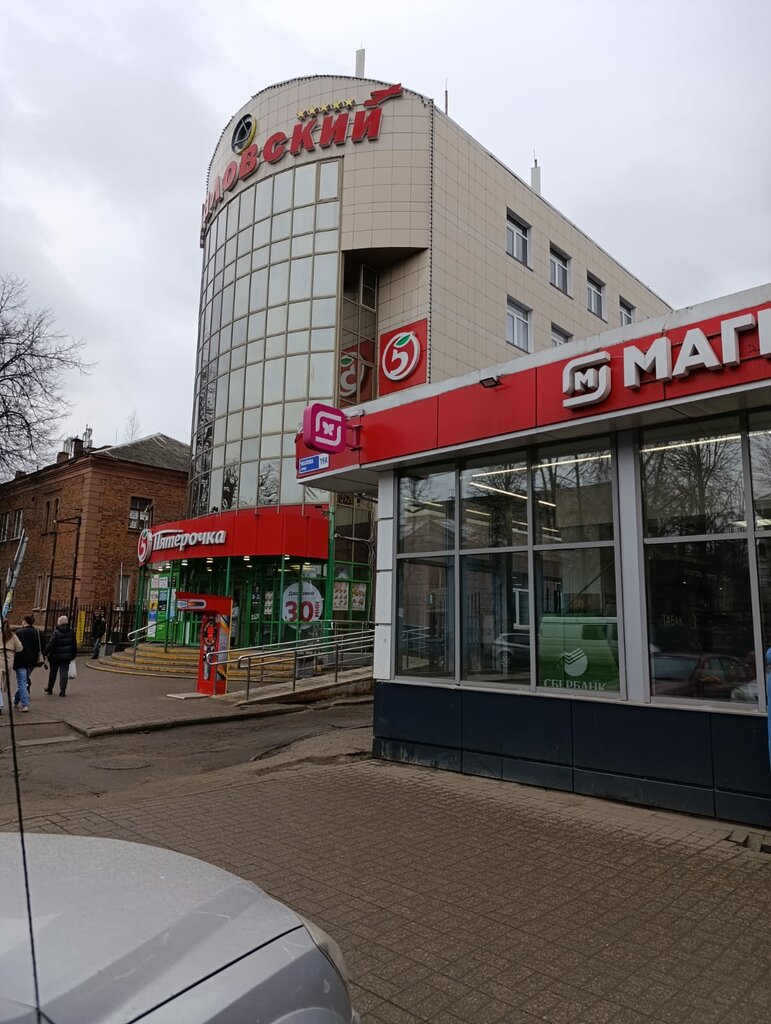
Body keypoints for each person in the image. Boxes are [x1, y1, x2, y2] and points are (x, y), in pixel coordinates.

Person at [13, 614, 42, 712]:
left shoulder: (18, 632)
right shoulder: (37, 633)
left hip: (20, 661)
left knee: (22, 682)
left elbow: (16, 647)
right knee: (23, 681)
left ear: (24, 622)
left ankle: (25, 704)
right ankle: (16, 700)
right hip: (32, 661)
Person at [45, 615, 77, 697]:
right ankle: (63, 691)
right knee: (64, 673)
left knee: (53, 673)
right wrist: (73, 655)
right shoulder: (71, 632)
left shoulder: (56, 632)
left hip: (55, 656)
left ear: (60, 622)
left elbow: (50, 643)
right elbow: (74, 644)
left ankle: (50, 688)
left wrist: (45, 653)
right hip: (66, 656)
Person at [0, 620, 23, 715]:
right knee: (3, 682)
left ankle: (0, 705)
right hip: (9, 660)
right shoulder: (13, 635)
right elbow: (19, 648)